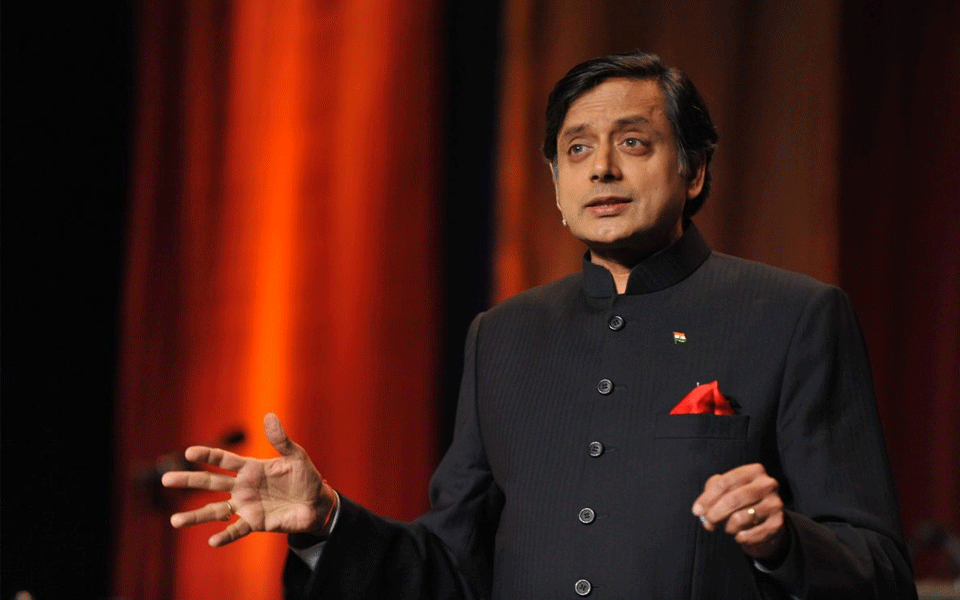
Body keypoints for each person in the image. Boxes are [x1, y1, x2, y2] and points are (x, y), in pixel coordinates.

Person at [162, 51, 917, 599]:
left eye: (633, 143)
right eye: (576, 149)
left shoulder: (793, 316)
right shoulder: (502, 337)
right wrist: (326, 521)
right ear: (556, 185)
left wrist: (783, 543)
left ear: (693, 172)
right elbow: (452, 569)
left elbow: (881, 571)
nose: (601, 169)